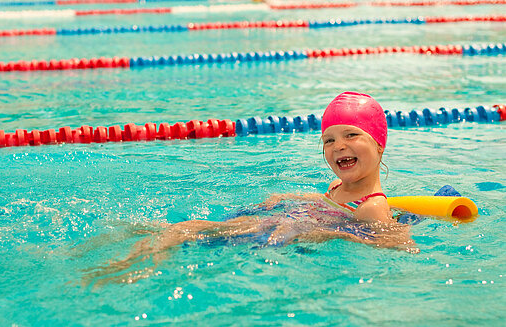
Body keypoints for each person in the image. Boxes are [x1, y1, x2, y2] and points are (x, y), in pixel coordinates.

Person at [81, 92, 418, 287]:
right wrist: (293, 198)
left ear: (379, 144)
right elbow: (330, 204)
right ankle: (132, 254)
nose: (338, 146)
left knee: (185, 230)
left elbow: (401, 246)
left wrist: (333, 235)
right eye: (328, 140)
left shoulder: (372, 206)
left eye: (351, 135)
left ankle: (131, 269)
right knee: (184, 231)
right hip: (287, 221)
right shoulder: (337, 186)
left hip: (291, 232)